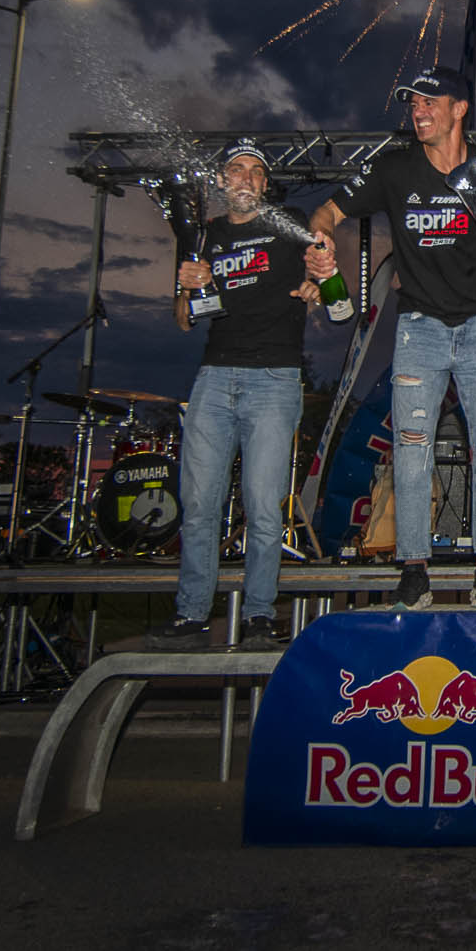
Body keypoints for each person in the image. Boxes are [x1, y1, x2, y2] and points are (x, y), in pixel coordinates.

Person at [307, 68, 476, 611]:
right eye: (412, 102)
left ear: (459, 109)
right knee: (411, 447)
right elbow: (329, 210)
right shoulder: (394, 169)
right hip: (420, 328)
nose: (417, 110)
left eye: (429, 101)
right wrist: (319, 239)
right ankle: (413, 572)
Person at [151, 138, 322, 647]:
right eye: (236, 169)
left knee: (264, 507)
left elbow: (329, 281)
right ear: (223, 181)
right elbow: (183, 320)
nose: (245, 178)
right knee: (199, 504)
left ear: (265, 184)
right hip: (214, 379)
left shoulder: (288, 225)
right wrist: (188, 286)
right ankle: (191, 614)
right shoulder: (203, 235)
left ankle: (259, 616)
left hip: (274, 379)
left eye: (255, 171)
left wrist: (319, 286)